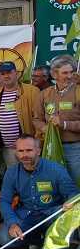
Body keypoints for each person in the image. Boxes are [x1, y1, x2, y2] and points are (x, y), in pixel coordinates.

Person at [0, 135, 78, 249]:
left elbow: (73, 193)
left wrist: (70, 202)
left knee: (64, 219)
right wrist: (12, 223)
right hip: (27, 213)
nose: (25, 155)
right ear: (16, 152)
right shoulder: (12, 172)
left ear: (38, 151)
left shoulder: (55, 169)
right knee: (4, 237)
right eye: (20, 151)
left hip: (53, 213)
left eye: (29, 150)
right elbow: (4, 200)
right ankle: (36, 242)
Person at [33, 56, 80, 187]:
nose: (69, 76)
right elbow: (37, 119)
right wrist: (45, 129)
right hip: (50, 146)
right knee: (54, 183)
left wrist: (64, 124)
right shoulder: (44, 94)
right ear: (54, 74)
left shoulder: (78, 91)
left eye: (71, 72)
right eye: (65, 73)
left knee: (75, 183)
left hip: (74, 148)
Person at [0, 61, 39, 167]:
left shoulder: (32, 91)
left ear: (16, 73)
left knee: (32, 176)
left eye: (9, 72)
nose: (6, 76)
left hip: (29, 148)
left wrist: (38, 143)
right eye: (2, 74)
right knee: (15, 177)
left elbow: (39, 118)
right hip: (8, 150)